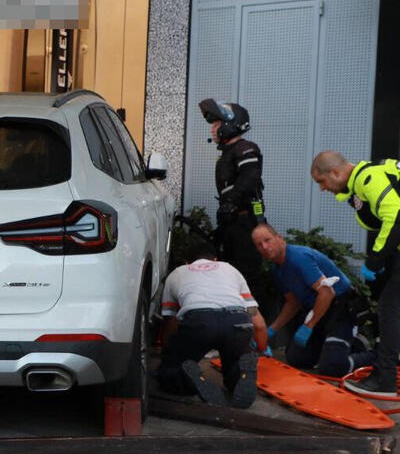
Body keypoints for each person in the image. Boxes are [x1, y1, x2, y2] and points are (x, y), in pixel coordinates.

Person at [311, 151, 400, 397]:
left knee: (391, 302)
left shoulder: (369, 178)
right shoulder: (368, 178)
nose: (322, 189)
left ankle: (384, 378)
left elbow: (397, 218)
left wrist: (374, 260)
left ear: (336, 173)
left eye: (321, 181)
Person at [251, 223, 376, 377]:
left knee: (333, 367)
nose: (264, 246)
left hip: (339, 308)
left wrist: (308, 326)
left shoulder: (298, 257)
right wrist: (271, 330)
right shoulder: (277, 270)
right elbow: (293, 302)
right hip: (316, 311)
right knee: (297, 358)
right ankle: (334, 346)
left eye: (267, 240)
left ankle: (375, 356)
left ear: (279, 238)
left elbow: (327, 292)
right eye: (259, 244)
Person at [155, 242, 269, 408]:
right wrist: (261, 348)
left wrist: (169, 354)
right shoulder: (230, 269)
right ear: (215, 259)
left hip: (199, 321)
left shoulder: (177, 273)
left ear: (187, 263)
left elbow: (170, 320)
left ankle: (189, 380)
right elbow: (258, 322)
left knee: (168, 373)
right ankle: (239, 376)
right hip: (237, 320)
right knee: (234, 366)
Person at [200, 99, 267, 303]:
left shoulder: (245, 148)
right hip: (231, 224)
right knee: (229, 272)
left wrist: (233, 201)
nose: (213, 129)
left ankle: (255, 325)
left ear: (231, 124)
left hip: (245, 225)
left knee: (247, 276)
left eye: (217, 124)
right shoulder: (227, 153)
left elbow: (250, 177)